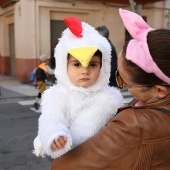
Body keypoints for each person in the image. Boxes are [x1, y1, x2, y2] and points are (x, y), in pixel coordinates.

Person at [51, 9, 170, 169]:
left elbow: (62, 167)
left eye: (123, 81)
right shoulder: (150, 103)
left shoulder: (135, 124)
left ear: (159, 90)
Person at [33, 16, 124, 158]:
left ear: (103, 66)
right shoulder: (57, 94)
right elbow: (51, 118)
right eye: (77, 64)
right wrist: (54, 135)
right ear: (64, 66)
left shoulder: (110, 99)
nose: (85, 71)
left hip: (99, 160)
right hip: (68, 161)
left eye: (93, 65)